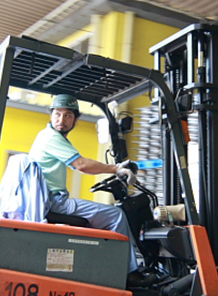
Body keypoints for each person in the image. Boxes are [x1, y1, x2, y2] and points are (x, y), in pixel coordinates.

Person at [29, 94, 147, 285]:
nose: (61, 120)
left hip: (51, 200)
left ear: (75, 120)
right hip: (54, 202)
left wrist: (113, 169)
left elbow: (81, 164)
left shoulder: (53, 138)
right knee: (116, 216)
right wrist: (116, 169)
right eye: (57, 114)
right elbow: (82, 164)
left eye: (68, 115)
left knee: (101, 218)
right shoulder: (50, 137)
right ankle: (128, 274)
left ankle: (107, 270)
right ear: (51, 115)